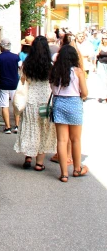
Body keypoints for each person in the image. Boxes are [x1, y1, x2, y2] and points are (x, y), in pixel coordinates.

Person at [14, 36, 57, 170]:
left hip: (30, 102)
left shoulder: (27, 65)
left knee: (30, 129)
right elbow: (53, 83)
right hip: (45, 103)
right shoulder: (50, 66)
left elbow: (23, 80)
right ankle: (39, 163)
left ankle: (28, 157)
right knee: (43, 131)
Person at [49, 44, 88, 182]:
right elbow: (85, 92)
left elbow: (52, 90)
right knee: (75, 139)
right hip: (74, 103)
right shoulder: (78, 72)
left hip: (59, 103)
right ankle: (77, 169)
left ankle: (64, 174)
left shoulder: (54, 71)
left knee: (61, 140)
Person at [0, 38, 21, 134]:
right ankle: (16, 126)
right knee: (16, 105)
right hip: (15, 84)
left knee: (4, 105)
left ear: (1, 47)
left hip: (3, 84)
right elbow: (22, 67)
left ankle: (7, 127)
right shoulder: (16, 57)